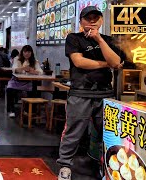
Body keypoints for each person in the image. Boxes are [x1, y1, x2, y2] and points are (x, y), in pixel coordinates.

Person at [57, 6, 125, 180]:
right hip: (80, 93)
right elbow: (79, 62)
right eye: (88, 18)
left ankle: (108, 167)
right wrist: (105, 64)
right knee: (73, 132)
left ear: (102, 20)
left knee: (108, 132)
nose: (92, 21)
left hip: (105, 94)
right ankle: (65, 165)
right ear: (81, 22)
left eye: (96, 17)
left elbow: (116, 61)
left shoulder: (109, 41)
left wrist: (99, 39)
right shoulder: (74, 38)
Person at [6, 45, 43, 118]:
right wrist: (23, 68)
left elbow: (40, 71)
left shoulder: (34, 61)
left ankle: (29, 110)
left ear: (31, 53)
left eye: (29, 52)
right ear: (22, 52)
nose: (27, 54)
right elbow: (14, 69)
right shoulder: (17, 59)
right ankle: (12, 110)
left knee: (33, 91)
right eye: (25, 52)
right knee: (9, 90)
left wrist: (33, 71)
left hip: (28, 82)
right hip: (16, 81)